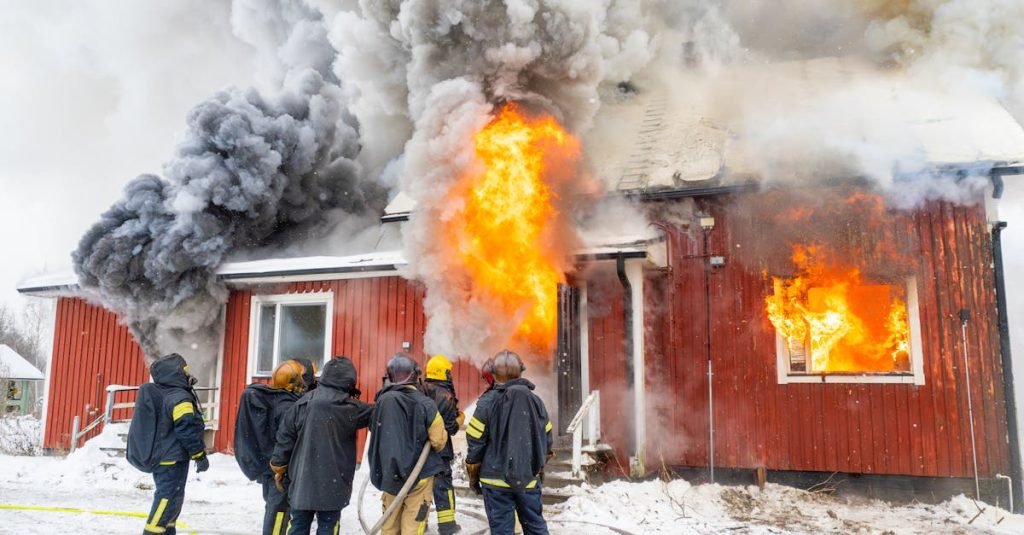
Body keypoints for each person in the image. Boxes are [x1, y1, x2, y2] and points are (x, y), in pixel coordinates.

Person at [270, 356, 372, 535]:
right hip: (333, 487)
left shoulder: (301, 403)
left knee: (298, 527)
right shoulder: (351, 408)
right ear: (349, 380)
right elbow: (380, 412)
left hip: (302, 484)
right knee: (328, 528)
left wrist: (279, 467)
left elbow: (285, 438)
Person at [465, 350, 553, 535]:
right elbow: (546, 440)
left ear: (494, 374)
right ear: (521, 372)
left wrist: (473, 473)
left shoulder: (486, 403)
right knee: (536, 528)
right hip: (527, 480)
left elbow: (475, 441)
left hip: (494, 481)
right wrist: (539, 467)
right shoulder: (535, 402)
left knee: (502, 531)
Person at [126, 353, 208, 535]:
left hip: (167, 457)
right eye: (185, 370)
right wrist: (199, 455)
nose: (188, 374)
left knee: (173, 502)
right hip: (172, 460)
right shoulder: (180, 397)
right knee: (167, 499)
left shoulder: (167, 394)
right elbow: (186, 430)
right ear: (176, 373)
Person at [367, 353, 448, 535]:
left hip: (389, 475)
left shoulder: (381, 402)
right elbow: (438, 441)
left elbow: (376, 430)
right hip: (419, 477)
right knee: (413, 528)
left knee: (389, 526)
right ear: (415, 376)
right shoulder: (426, 404)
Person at [234, 359, 317, 535]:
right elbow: (287, 441)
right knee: (279, 512)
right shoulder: (288, 407)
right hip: (282, 470)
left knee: (274, 507)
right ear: (295, 381)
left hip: (270, 467)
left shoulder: (272, 399)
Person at [421, 355, 465, 535]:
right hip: (440, 450)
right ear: (443, 373)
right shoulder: (446, 396)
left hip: (417, 450)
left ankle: (418, 523)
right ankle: (447, 525)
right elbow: (449, 428)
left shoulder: (419, 390)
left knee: (420, 488)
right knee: (442, 486)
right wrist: (459, 420)